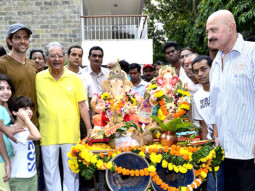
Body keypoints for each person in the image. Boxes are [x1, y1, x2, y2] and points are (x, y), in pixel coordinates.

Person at [206, 10, 255, 191]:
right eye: (207, 32)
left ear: (231, 27)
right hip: (226, 154)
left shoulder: (252, 53)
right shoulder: (216, 63)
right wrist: (217, 136)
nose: (210, 36)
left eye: (214, 30)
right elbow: (215, 105)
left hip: (250, 152)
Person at [36, 41, 92, 191]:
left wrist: (89, 128)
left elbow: (82, 105)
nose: (57, 59)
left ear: (64, 58)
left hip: (70, 133)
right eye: (53, 56)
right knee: (50, 172)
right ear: (47, 58)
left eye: (60, 55)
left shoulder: (75, 78)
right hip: (47, 134)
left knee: (71, 172)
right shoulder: (39, 78)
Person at [192, 55, 224, 191]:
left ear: (213, 68)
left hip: (230, 143)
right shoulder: (197, 96)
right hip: (213, 148)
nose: (200, 74)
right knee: (213, 186)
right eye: (196, 71)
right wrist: (206, 152)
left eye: (203, 69)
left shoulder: (223, 88)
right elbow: (203, 125)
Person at [8, 96, 41, 191]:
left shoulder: (27, 128)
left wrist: (27, 121)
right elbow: (37, 136)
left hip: (31, 174)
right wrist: (27, 120)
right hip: (20, 177)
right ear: (15, 112)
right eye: (25, 109)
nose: (29, 111)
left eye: (30, 108)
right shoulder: (16, 130)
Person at [0, 74, 15, 191]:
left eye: (8, 88)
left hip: (7, 156)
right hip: (2, 160)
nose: (6, 92)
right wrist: (7, 162)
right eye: (1, 88)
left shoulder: (3, 107)